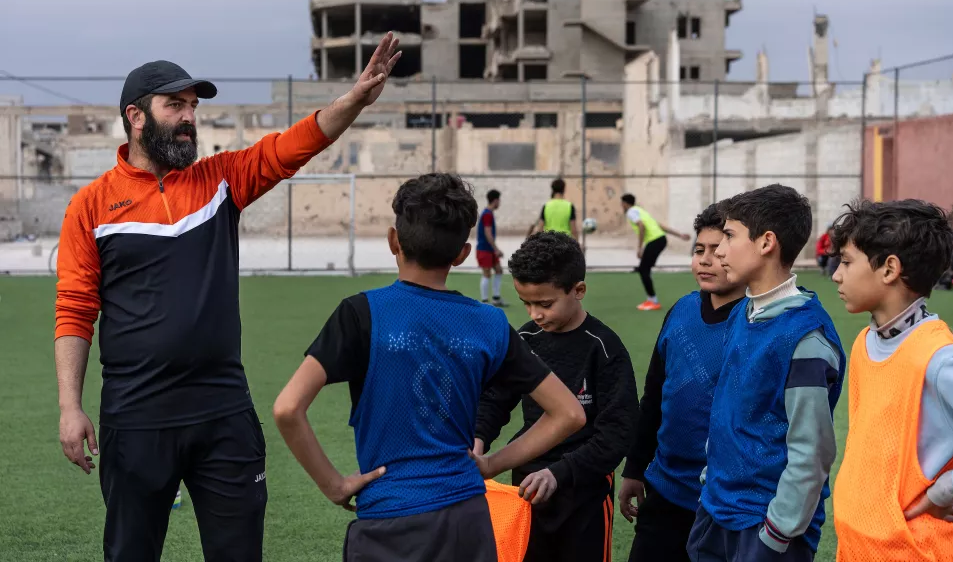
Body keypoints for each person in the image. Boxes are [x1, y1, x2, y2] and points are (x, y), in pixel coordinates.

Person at [53, 34, 402, 562]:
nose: (189, 117)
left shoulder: (221, 180)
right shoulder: (91, 205)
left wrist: (353, 100)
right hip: (136, 415)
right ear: (136, 117)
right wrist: (69, 406)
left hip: (223, 412)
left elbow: (294, 145)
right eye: (175, 105)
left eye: (193, 106)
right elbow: (75, 311)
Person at [272, 173, 586, 562]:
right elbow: (570, 413)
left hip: (389, 522)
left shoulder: (361, 313)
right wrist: (490, 464)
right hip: (467, 520)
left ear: (393, 240)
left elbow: (287, 408)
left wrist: (334, 485)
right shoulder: (489, 323)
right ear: (462, 254)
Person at [687, 184, 846, 562]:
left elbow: (812, 452)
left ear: (766, 242)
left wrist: (776, 534)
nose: (719, 250)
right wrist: (710, 481)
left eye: (729, 236)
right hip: (716, 509)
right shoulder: (744, 312)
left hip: (766, 527)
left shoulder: (805, 337)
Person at [474, 231, 640, 562]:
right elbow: (494, 400)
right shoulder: (525, 340)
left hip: (584, 492)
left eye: (545, 304)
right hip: (525, 488)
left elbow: (617, 431)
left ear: (578, 290)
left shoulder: (603, 348)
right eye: (526, 303)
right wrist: (477, 441)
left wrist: (559, 473)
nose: (534, 314)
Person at [830, 199, 953, 561]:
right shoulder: (864, 341)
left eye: (846, 262)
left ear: (889, 269)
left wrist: (946, 488)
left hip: (913, 550)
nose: (836, 275)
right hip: (857, 546)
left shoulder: (938, 358)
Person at [619, 202, 746, 561]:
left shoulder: (756, 324)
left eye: (717, 251)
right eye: (698, 249)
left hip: (724, 500)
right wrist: (634, 467)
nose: (705, 260)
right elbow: (654, 396)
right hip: (665, 489)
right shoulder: (681, 311)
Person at [620, 194, 691, 311]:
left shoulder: (631, 212)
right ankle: (651, 299)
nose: (621, 206)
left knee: (643, 269)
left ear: (625, 204)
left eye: (622, 203)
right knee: (644, 269)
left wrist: (639, 248)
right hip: (660, 240)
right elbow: (660, 226)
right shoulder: (641, 211)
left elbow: (641, 226)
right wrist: (679, 235)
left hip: (655, 241)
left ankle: (653, 301)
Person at [478, 189, 507, 306]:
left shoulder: (489, 213)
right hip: (484, 249)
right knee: (487, 274)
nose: (500, 203)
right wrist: (496, 249)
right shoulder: (487, 214)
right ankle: (484, 301)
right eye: (499, 200)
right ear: (495, 201)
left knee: (499, 270)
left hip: (489, 249)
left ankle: (496, 298)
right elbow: (488, 233)